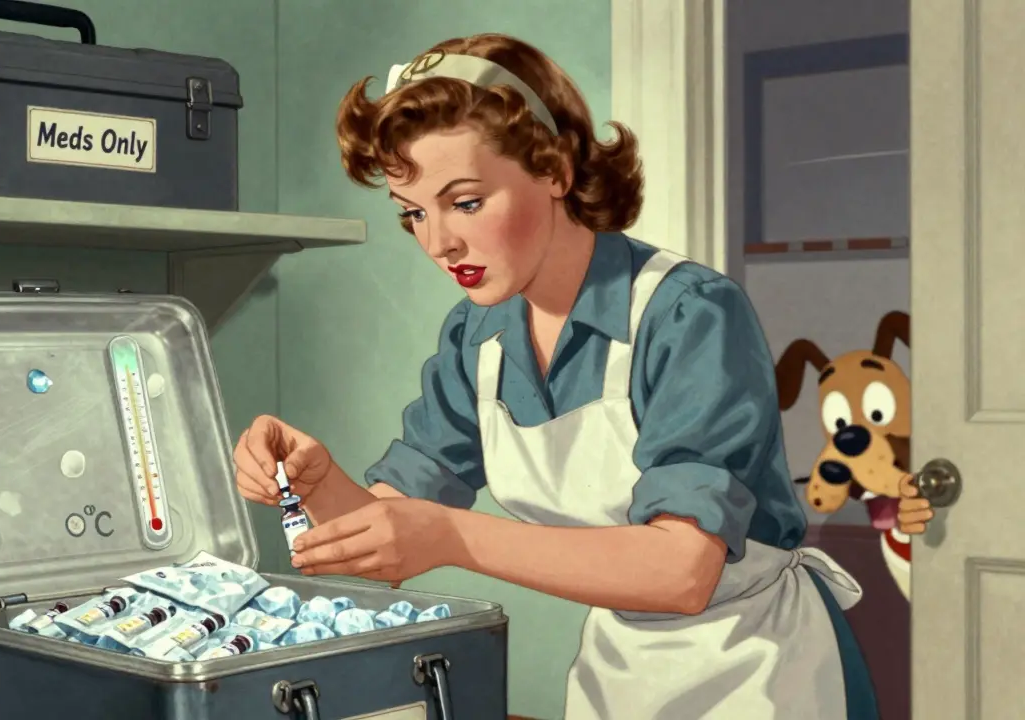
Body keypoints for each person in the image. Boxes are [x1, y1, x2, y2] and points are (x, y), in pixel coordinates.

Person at [233, 33, 878, 719]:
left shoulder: (689, 315)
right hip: (621, 672)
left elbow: (684, 571)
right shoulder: (477, 335)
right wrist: (312, 482)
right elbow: (393, 536)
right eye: (414, 213)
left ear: (556, 169)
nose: (439, 242)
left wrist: (451, 536)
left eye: (467, 202)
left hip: (762, 671)